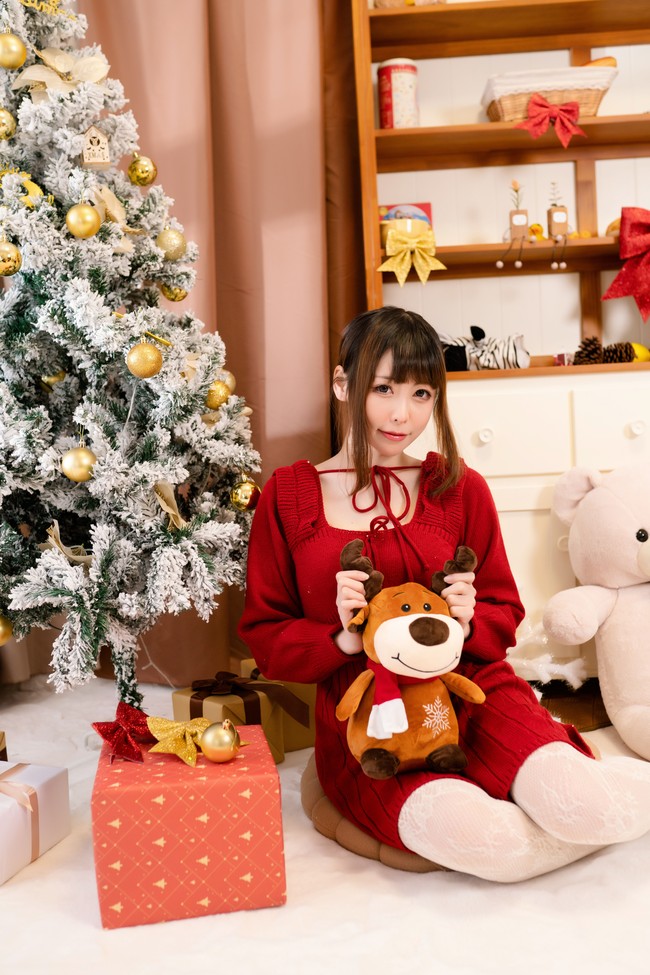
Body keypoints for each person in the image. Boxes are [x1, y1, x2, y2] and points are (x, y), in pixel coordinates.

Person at [239, 305, 650, 882]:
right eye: (383, 389)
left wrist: (468, 620)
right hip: (373, 722)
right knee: (494, 848)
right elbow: (266, 635)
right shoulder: (288, 496)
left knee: (584, 808)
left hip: (474, 690)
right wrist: (343, 638)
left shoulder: (460, 487)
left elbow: (505, 610)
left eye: (421, 394)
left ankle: (596, 790)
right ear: (341, 384)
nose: (401, 415)